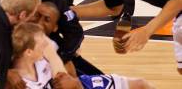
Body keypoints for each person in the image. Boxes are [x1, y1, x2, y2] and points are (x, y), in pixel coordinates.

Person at [10, 22, 155, 88]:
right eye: (41, 45)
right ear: (28, 52)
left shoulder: (38, 52)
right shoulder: (17, 82)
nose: (46, 47)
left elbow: (57, 60)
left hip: (79, 84)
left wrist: (69, 78)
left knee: (140, 84)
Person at [33, 2, 104, 77]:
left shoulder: (57, 49)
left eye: (47, 20)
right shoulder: (21, 36)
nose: (39, 22)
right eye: (37, 16)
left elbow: (71, 79)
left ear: (55, 27)